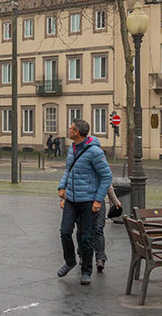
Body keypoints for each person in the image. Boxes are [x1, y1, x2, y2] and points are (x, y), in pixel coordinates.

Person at [57, 118, 113, 286]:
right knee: (65, 232)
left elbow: (106, 177)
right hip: (71, 199)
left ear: (77, 132)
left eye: (71, 128)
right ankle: (70, 260)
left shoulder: (95, 152)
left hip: (88, 201)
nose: (68, 130)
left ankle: (86, 271)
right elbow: (69, 170)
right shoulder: (72, 148)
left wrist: (98, 200)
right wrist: (62, 186)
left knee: (86, 237)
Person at [93, 179, 123, 272]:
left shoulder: (101, 165)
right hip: (83, 201)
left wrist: (115, 201)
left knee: (98, 229)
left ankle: (100, 258)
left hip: (99, 202)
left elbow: (107, 183)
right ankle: (82, 254)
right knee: (83, 231)